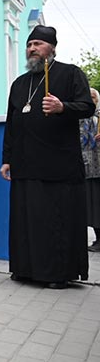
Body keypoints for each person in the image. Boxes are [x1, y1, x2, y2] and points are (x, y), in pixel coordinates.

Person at [0, 25, 94, 288]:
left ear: (51, 48)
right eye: (29, 44)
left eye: (38, 44)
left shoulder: (69, 74)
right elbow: (11, 124)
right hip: (25, 164)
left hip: (58, 166)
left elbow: (87, 106)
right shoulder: (20, 84)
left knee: (54, 222)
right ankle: (25, 269)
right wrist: (6, 159)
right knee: (27, 220)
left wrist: (62, 106)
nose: (32, 49)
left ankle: (57, 274)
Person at [80, 88, 100, 252]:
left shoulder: (99, 117)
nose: (92, 99)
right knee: (91, 205)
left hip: (99, 167)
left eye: (94, 97)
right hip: (86, 167)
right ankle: (97, 239)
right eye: (90, 97)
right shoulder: (80, 117)